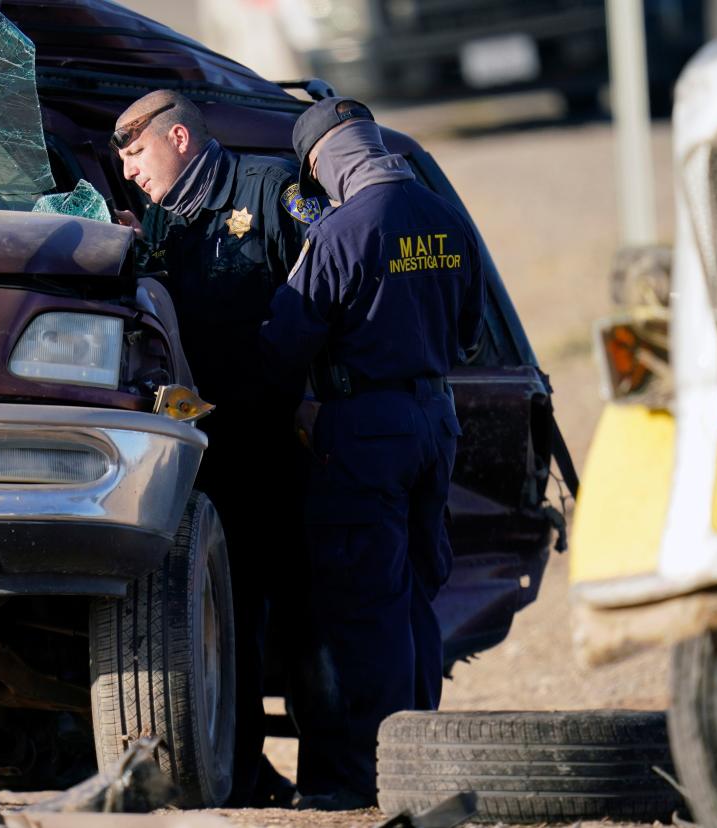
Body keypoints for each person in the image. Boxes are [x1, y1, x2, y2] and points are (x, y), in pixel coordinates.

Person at [258, 97, 486, 809]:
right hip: (435, 419)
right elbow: (473, 335)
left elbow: (281, 347)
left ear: (323, 162)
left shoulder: (340, 232)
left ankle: (368, 777)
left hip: (365, 429)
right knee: (418, 596)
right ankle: (420, 765)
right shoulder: (451, 219)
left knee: (367, 607)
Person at [111, 90, 321, 806]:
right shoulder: (163, 225)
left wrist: (321, 404)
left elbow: (336, 292)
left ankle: (334, 775)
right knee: (227, 618)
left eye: (136, 154)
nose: (131, 171)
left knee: (303, 613)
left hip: (283, 444)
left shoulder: (274, 193)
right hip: (206, 454)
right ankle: (244, 773)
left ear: (178, 136)